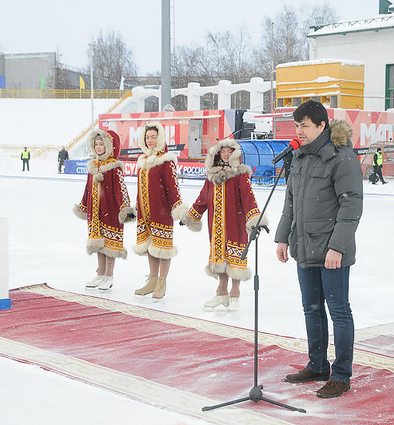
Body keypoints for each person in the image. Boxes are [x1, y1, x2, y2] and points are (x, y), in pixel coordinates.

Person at [275, 100, 363, 399]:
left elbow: (351, 205)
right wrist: (283, 236)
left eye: (305, 126)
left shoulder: (342, 158)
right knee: (311, 309)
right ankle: (317, 364)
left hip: (331, 250)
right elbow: (290, 201)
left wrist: (337, 247)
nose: (299, 131)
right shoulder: (299, 157)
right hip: (304, 246)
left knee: (339, 311)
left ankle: (341, 375)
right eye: (297, 125)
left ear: (322, 126)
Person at [181, 139, 266, 311]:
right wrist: (191, 216)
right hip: (217, 225)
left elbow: (249, 199)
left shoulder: (240, 174)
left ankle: (235, 293)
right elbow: (203, 199)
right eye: (223, 151)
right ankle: (221, 293)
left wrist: (255, 220)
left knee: (235, 260)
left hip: (236, 224)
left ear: (235, 153)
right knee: (220, 258)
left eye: (229, 151)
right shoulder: (212, 176)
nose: (226, 155)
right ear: (218, 153)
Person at [73, 130, 135, 291]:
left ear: (109, 146)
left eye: (102, 144)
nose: (98, 147)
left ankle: (109, 275)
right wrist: (83, 206)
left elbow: (120, 190)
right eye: (96, 144)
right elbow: (88, 189)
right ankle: (100, 273)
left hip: (111, 211)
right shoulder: (93, 166)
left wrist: (125, 208)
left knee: (110, 245)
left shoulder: (114, 167)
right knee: (98, 243)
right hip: (95, 213)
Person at [133, 122, 187, 301]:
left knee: (163, 249)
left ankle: (162, 282)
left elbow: (173, 187)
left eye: (153, 137)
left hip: (161, 212)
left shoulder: (166, 161)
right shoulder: (142, 161)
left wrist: (177, 207)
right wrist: (136, 205)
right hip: (144, 213)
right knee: (150, 247)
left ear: (160, 138)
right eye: (147, 137)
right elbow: (140, 188)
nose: (150, 140)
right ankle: (152, 279)